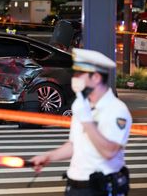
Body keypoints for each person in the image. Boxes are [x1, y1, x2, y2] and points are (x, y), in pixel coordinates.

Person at [30, 48, 132, 196]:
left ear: (96, 77)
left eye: (79, 75)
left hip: (100, 188)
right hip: (74, 186)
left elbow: (109, 151)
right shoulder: (83, 105)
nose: (74, 79)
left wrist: (86, 120)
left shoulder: (116, 110)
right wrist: (48, 157)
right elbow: (74, 145)